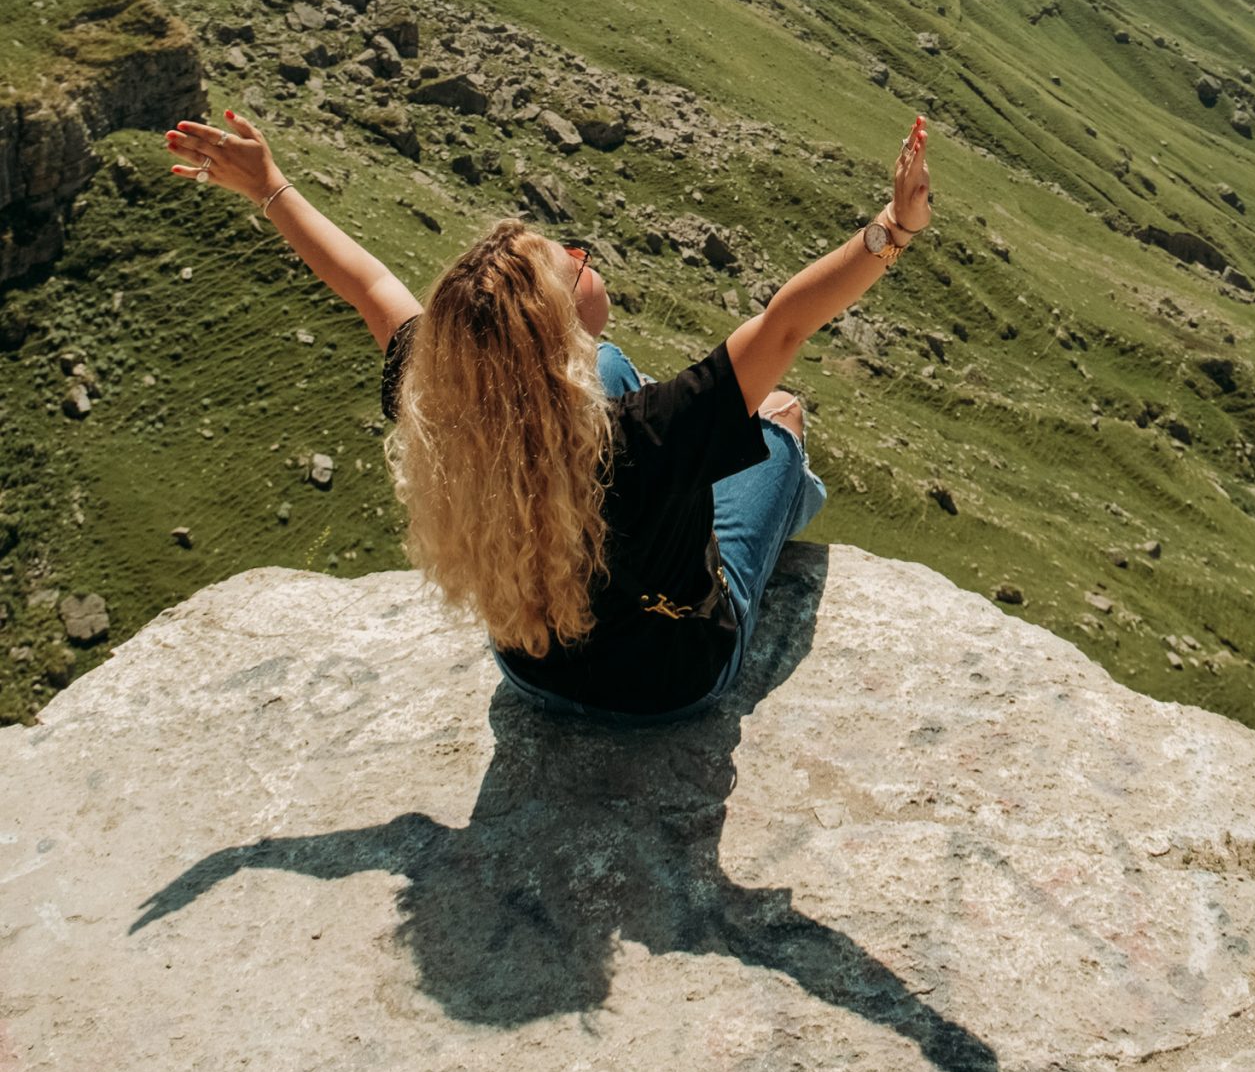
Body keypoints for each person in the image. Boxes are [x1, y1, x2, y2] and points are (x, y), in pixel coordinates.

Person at [164, 105, 932, 724]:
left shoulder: (445, 401)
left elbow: (366, 284)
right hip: (676, 683)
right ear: (556, 338)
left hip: (531, 673)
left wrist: (270, 187)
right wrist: (892, 229)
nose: (579, 253)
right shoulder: (650, 435)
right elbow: (785, 324)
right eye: (573, 263)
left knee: (614, 371)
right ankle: (791, 492)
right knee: (777, 422)